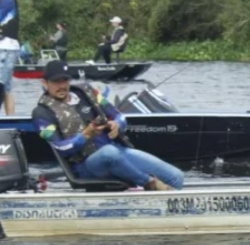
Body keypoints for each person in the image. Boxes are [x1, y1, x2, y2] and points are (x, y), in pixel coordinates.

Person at [31, 60, 184, 191]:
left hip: (118, 151)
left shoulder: (88, 92)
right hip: (85, 165)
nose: (62, 85)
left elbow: (119, 115)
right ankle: (149, 183)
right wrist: (85, 136)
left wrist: (117, 124)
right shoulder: (41, 113)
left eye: (65, 80)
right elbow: (60, 148)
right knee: (108, 153)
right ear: (44, 83)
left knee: (176, 177)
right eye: (56, 82)